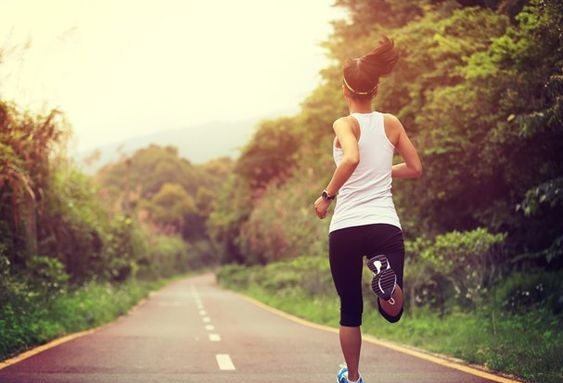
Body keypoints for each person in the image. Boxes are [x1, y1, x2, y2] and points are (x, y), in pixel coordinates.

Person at [314, 36, 422, 383]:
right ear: (375, 90)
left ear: (345, 91)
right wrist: (382, 172)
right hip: (383, 225)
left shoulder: (344, 124)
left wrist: (326, 196)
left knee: (350, 310)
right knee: (392, 312)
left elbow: (351, 157)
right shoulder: (391, 122)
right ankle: (386, 284)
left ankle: (355, 377)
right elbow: (415, 168)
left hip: (346, 227)